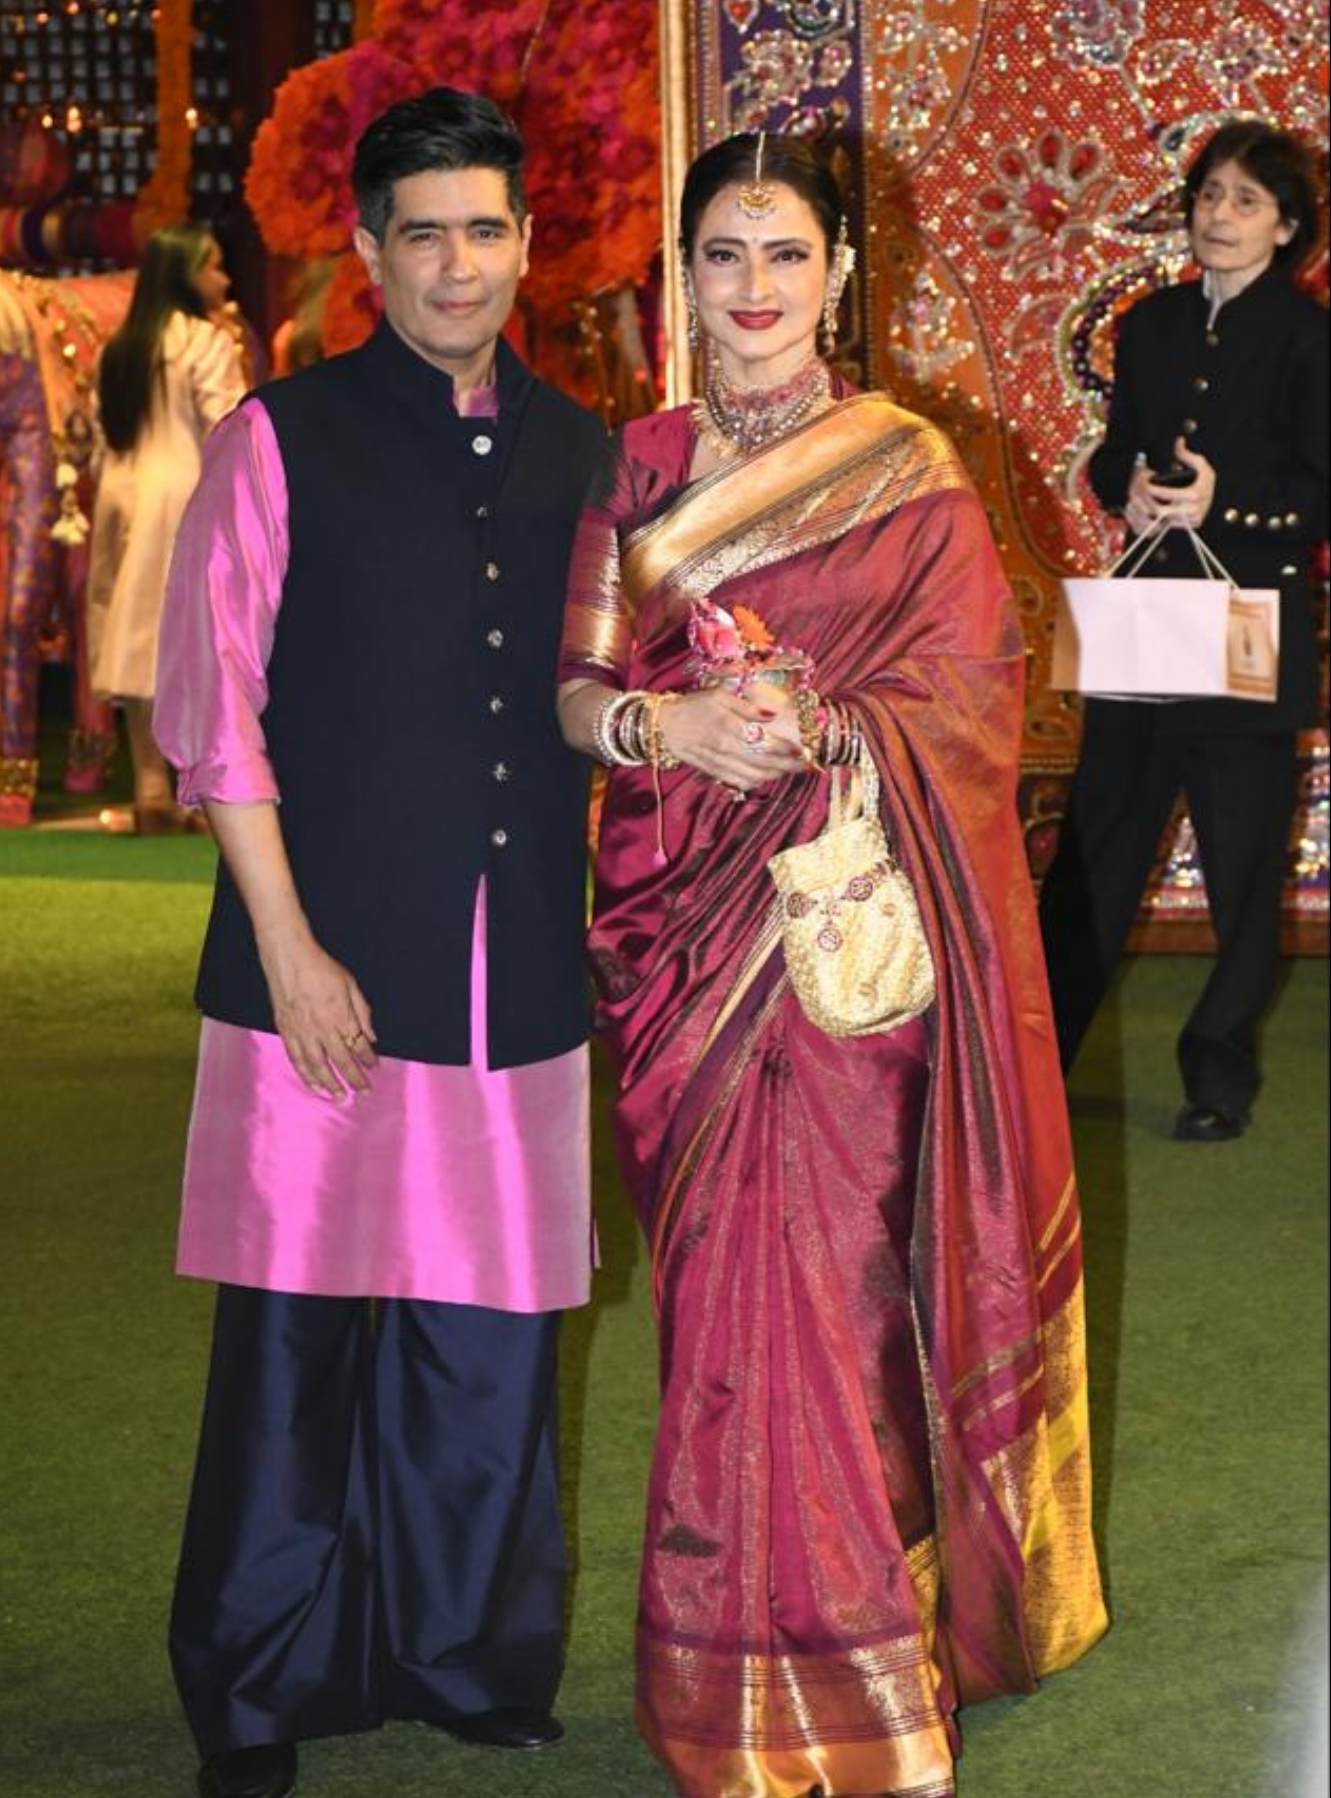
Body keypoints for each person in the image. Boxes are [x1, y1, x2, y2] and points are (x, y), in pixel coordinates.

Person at [557, 131, 1107, 1798]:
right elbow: (576, 692)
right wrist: (673, 720)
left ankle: (867, 1677)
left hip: (847, 935)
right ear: (682, 275)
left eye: (785, 254)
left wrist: (823, 729)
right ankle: (728, 1678)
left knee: (843, 1304)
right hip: (683, 941)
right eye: (722, 254)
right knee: (724, 1309)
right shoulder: (635, 467)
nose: (754, 290)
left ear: (841, 277)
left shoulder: (912, 468)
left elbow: (976, 697)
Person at [153, 89, 605, 1798]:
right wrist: (288, 944)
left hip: (513, 981)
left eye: (485, 228)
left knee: (490, 1341)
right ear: (367, 248)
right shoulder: (282, 435)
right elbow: (216, 713)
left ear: (524, 245)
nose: (457, 264)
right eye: (423, 231)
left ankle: (467, 1654)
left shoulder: (584, 450)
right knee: (295, 1348)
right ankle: (256, 1690)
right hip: (317, 975)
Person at [1038, 120, 1329, 1142]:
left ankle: (1219, 1078)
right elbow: (1109, 458)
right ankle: (1036, 1069)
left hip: (1250, 622)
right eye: (1210, 194)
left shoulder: (1309, 338)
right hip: (1145, 611)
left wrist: (1224, 503)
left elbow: (1318, 494)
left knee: (1243, 861)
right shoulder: (1151, 323)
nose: (1219, 215)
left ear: (1287, 227)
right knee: (1096, 845)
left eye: (1246, 201)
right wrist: (1138, 494)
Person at [87, 223, 245, 831]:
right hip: (187, 495)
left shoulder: (119, 347)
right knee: (196, 642)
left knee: (135, 637)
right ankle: (195, 791)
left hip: (123, 496)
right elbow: (228, 427)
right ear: (185, 274)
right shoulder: (205, 341)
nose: (223, 280)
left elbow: (105, 435)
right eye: (213, 267)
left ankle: (150, 787)